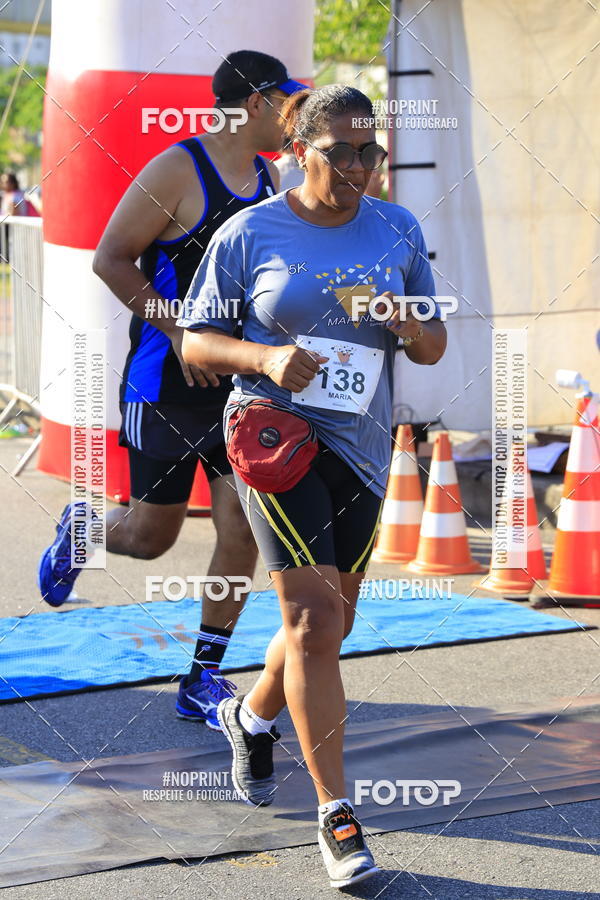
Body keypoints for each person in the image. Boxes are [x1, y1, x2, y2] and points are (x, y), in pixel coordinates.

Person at [178, 85, 447, 888]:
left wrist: (409, 322)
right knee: (312, 617)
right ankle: (338, 817)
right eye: (345, 152)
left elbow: (432, 346)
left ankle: (251, 714)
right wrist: (262, 359)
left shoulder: (397, 228)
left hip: (361, 446)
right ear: (301, 149)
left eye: (374, 152)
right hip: (274, 437)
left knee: (333, 623)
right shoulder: (251, 230)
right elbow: (197, 342)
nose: (363, 167)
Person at [38, 50, 308, 731]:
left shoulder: (272, 179)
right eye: (287, 100)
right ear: (254, 104)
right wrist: (184, 329)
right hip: (165, 381)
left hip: (237, 388)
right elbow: (111, 258)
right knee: (150, 537)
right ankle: (86, 532)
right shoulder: (176, 169)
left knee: (242, 530)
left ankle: (203, 675)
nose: (295, 114)